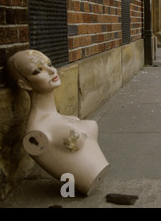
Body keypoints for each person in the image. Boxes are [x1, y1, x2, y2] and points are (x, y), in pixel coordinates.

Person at [6, 49, 110, 195]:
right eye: (38, 71)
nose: (52, 70)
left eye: (49, 64)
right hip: (85, 182)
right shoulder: (36, 134)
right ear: (24, 84)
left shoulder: (57, 118)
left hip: (95, 175)